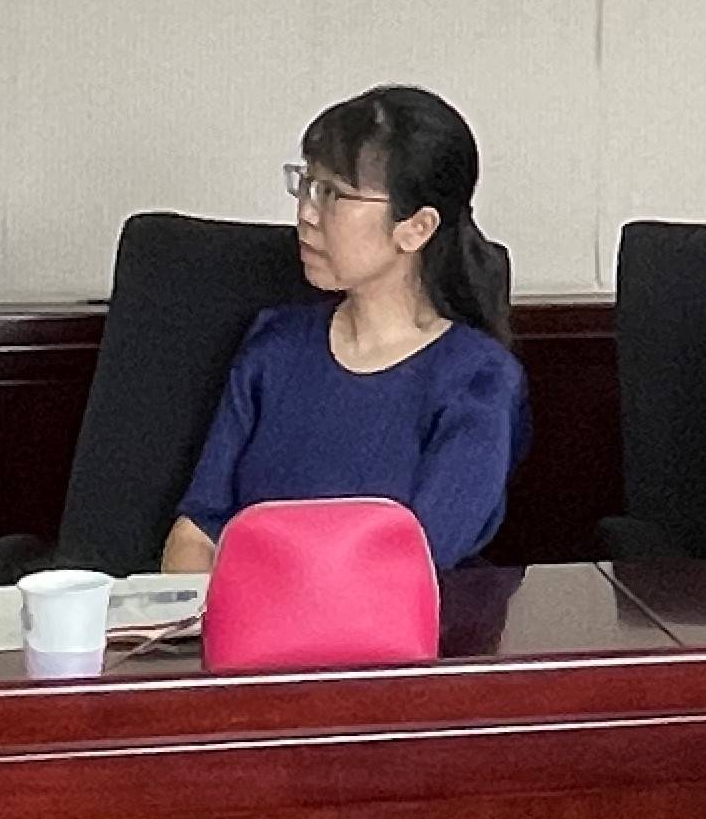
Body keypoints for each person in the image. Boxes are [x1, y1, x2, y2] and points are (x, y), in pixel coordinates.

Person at [160, 86, 528, 573]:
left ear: (416, 228)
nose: (306, 214)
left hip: (389, 623)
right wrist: (206, 609)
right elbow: (196, 530)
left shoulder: (477, 379)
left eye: (333, 194)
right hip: (240, 617)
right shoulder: (275, 345)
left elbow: (410, 566)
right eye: (307, 184)